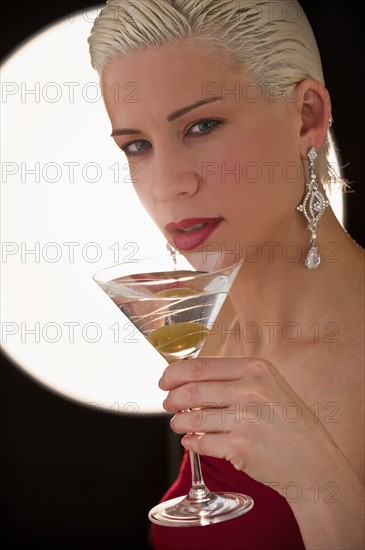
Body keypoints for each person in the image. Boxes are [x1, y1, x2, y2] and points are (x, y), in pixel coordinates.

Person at [88, 1, 364, 548]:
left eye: (202, 125)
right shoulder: (201, 339)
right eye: (137, 146)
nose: (167, 186)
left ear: (307, 115)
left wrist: (320, 487)